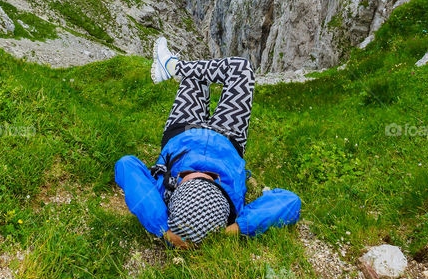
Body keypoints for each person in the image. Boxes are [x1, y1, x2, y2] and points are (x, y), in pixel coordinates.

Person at [114, 37, 301, 248]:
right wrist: (233, 230)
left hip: (183, 130)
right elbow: (290, 201)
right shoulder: (234, 211)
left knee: (196, 76)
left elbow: (126, 164)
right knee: (242, 69)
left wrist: (164, 230)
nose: (201, 171)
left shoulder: (161, 198)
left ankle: (173, 67)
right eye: (213, 178)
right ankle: (174, 67)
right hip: (229, 136)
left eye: (185, 177)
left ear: (174, 193)